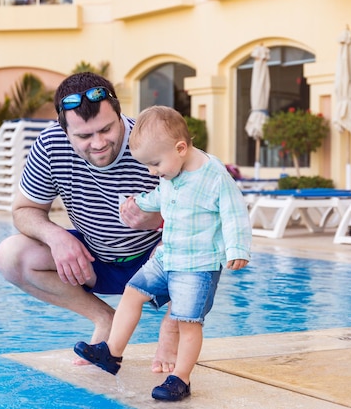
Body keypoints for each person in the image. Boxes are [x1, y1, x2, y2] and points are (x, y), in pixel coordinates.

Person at [0, 72, 180, 372]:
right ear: (64, 131)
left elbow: (207, 210)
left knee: (200, 248)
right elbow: (24, 210)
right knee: (10, 256)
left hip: (158, 261)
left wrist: (161, 223)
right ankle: (104, 319)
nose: (99, 143)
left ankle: (171, 330)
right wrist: (56, 236)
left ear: (120, 115)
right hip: (96, 260)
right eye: (84, 136)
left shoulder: (151, 140)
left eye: (106, 129)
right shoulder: (51, 146)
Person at [74, 105, 251, 401]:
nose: (152, 172)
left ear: (181, 148)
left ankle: (180, 379)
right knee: (133, 292)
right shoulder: (170, 172)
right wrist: (140, 203)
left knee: (188, 323)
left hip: (197, 266)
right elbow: (160, 196)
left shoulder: (214, 176)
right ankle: (112, 354)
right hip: (167, 256)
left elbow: (234, 213)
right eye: (148, 166)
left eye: (155, 164)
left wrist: (237, 248)